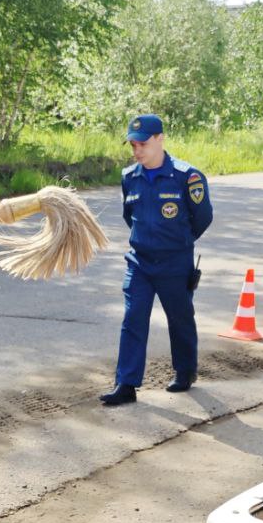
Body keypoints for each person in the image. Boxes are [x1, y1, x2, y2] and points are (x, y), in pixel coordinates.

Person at [100, 114, 213, 406]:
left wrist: (177, 243)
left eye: (143, 143)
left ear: (160, 138)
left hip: (174, 262)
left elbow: (202, 218)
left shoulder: (187, 177)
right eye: (133, 145)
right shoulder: (129, 177)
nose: (137, 150)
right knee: (133, 318)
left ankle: (185, 371)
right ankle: (126, 384)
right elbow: (131, 218)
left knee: (180, 318)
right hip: (140, 262)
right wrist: (148, 242)